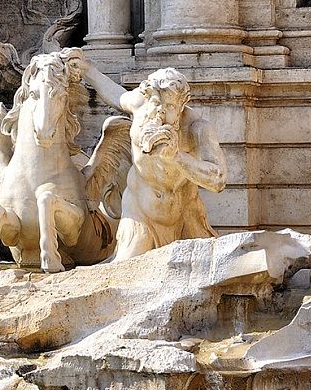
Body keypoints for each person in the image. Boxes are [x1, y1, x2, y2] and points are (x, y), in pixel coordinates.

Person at [73, 51, 227, 261]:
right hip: (140, 213)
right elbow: (115, 94)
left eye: (170, 106)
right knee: (126, 269)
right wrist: (88, 70)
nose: (160, 112)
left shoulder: (197, 128)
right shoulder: (140, 106)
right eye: (156, 103)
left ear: (182, 105)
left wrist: (177, 157)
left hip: (186, 215)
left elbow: (218, 179)